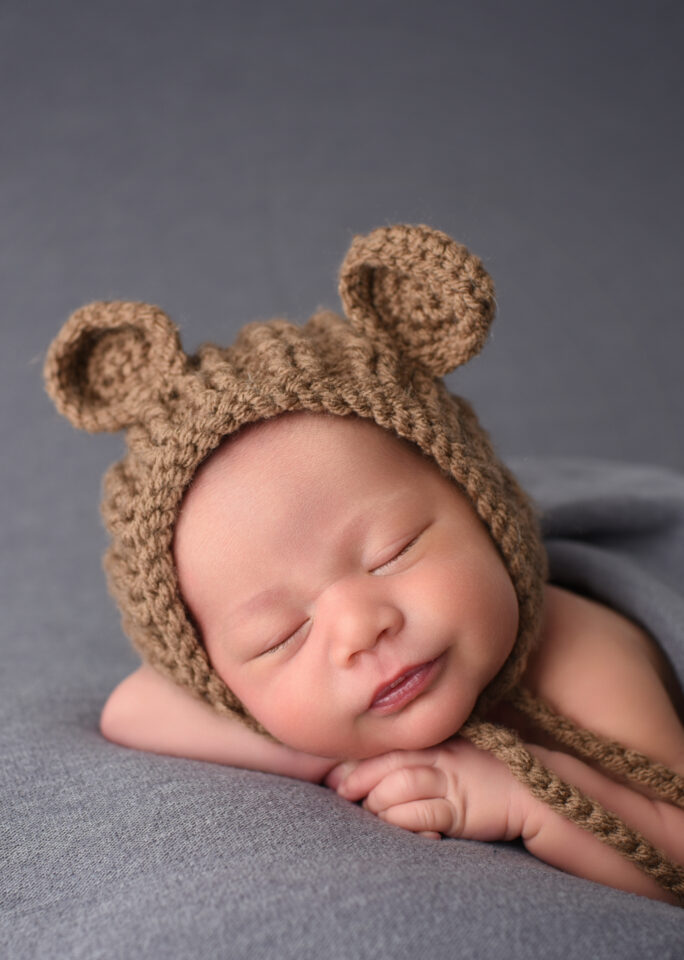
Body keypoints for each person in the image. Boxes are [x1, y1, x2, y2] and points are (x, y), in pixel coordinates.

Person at [44, 224, 684, 905]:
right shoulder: (239, 682)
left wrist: (525, 800)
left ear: (484, 510)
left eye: (393, 552)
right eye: (280, 636)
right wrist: (322, 743)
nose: (359, 627)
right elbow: (134, 709)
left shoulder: (587, 660)